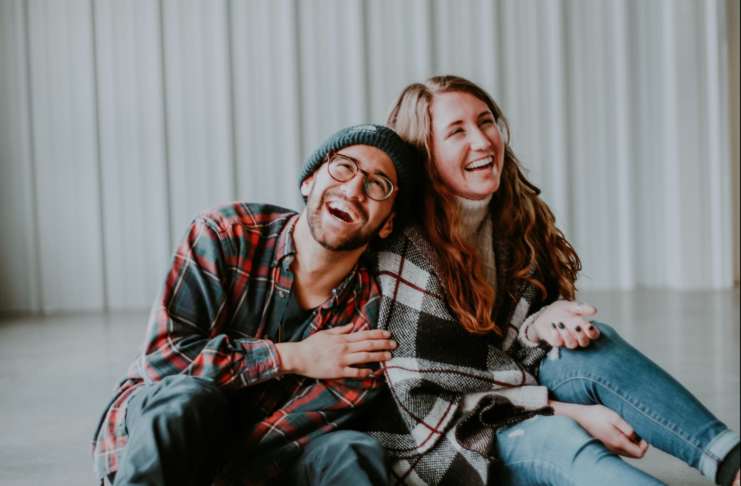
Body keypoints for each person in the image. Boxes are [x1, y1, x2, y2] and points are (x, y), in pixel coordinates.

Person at [366, 75, 740, 486]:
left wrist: (540, 323)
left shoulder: (511, 216)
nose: (483, 140)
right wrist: (568, 412)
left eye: (486, 122)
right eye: (457, 132)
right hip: (444, 443)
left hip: (510, 399)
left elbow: (502, 347)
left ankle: (732, 462)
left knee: (591, 348)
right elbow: (431, 399)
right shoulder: (406, 251)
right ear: (425, 153)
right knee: (555, 437)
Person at [91, 124, 422, 486]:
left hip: (262, 463)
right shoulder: (224, 234)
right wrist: (288, 356)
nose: (354, 188)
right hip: (160, 441)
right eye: (344, 166)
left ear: (388, 223)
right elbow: (165, 362)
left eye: (378, 184)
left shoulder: (370, 318)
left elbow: (291, 435)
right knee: (189, 396)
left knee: (351, 449)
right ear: (309, 181)